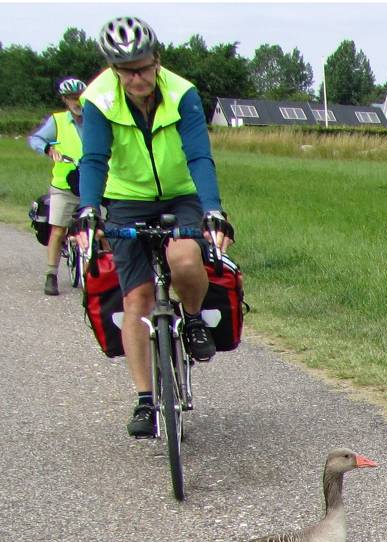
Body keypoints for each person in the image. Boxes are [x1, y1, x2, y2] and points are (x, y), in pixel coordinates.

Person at [76, 16, 233, 439]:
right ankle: (146, 399)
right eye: (126, 70)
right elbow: (93, 159)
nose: (137, 77)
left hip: (181, 193)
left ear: (156, 60)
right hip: (127, 198)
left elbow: (200, 156)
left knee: (184, 258)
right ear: (113, 69)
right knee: (137, 299)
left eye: (143, 67)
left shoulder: (182, 93)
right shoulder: (99, 99)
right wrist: (89, 209)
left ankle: (196, 319)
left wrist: (212, 209)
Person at [27, 78, 86, 296]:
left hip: (95, 182)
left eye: (79, 96)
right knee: (59, 229)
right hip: (65, 184)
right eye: (71, 98)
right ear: (64, 100)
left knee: (102, 230)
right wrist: (47, 149)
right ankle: (51, 274)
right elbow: (36, 138)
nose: (76, 101)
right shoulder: (58, 121)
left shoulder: (96, 119)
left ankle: (104, 274)